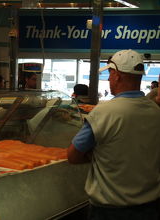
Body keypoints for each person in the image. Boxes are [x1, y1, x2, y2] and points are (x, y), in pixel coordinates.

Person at [67, 49, 160, 220]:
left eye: (109, 74)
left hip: (110, 211)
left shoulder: (104, 112)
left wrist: (97, 155)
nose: (109, 79)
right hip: (151, 208)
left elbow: (73, 156)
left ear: (116, 75)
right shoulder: (155, 111)